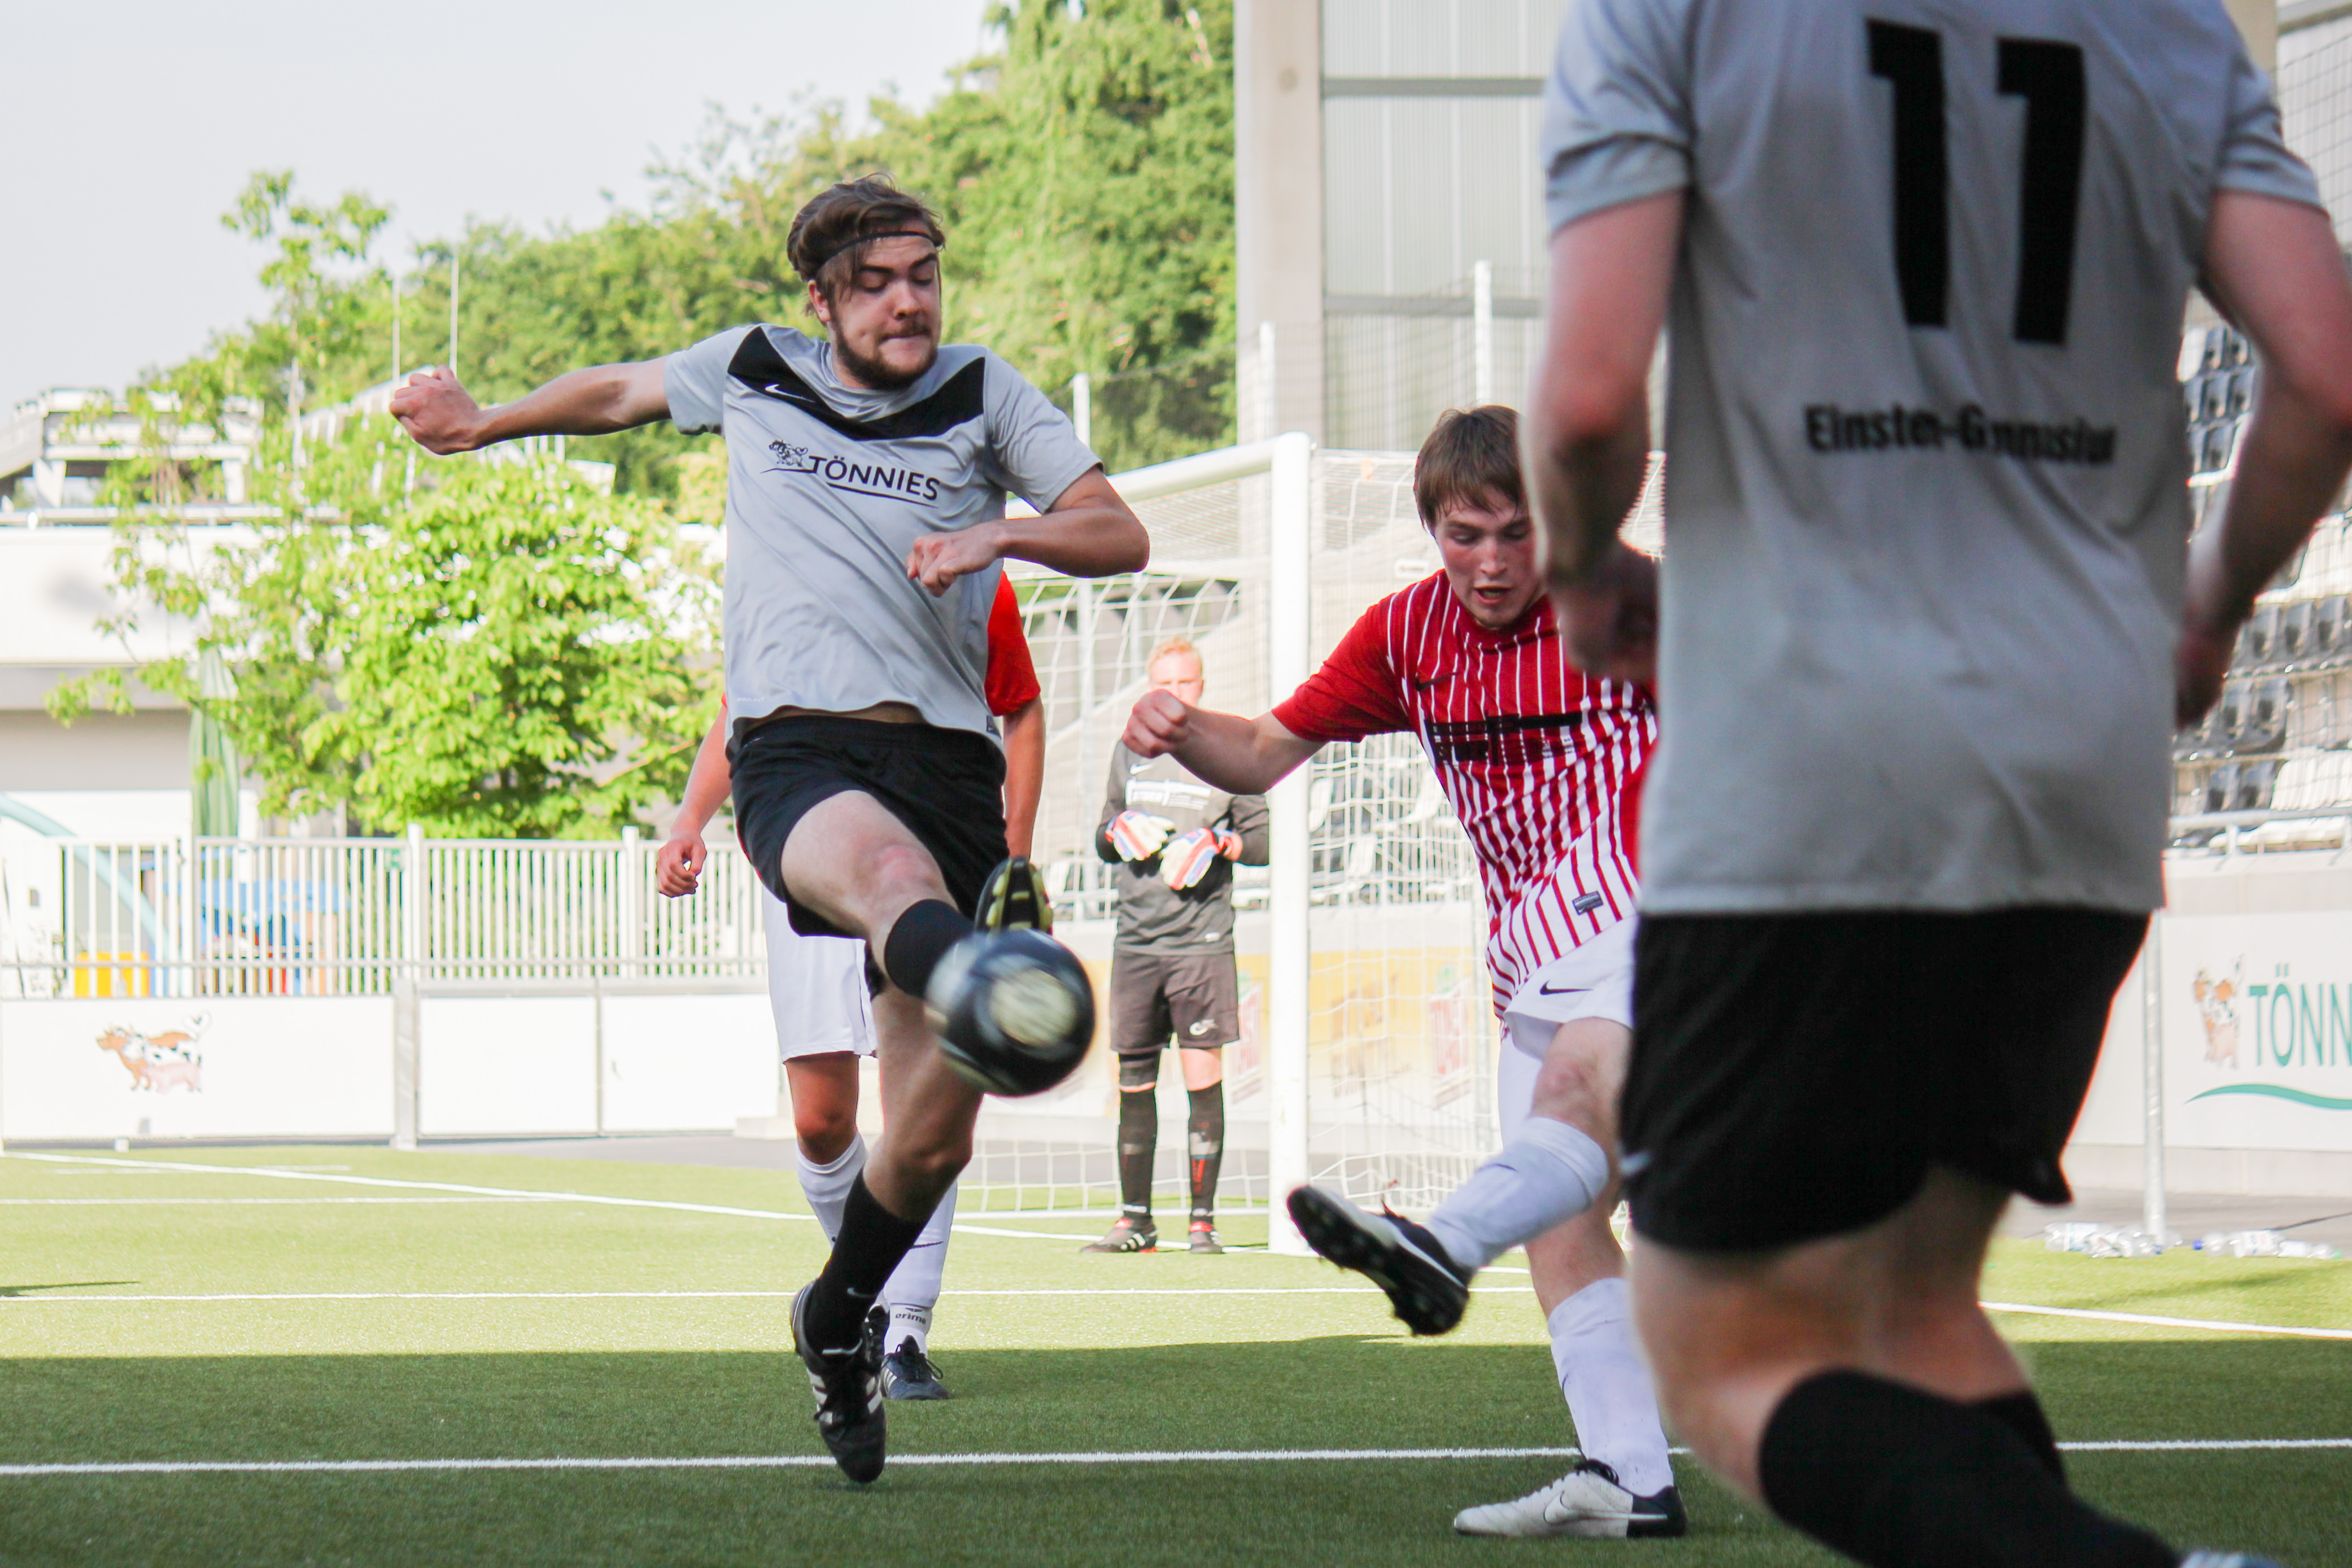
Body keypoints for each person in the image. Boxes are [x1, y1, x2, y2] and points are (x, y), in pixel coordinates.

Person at [1524, 0, 2352, 1564]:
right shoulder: (2170, 25)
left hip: (1805, 754)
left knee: (1720, 1333)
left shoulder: (1670, 16)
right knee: (1910, 1308)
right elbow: (2324, 374)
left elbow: (1580, 403)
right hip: (2080, 759)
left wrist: (1579, 572)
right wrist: (2209, 603)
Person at [392, 174, 1149, 1484]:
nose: (907, 301)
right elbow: (616, 391)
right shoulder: (755, 367)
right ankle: (976, 969)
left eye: (923, 275)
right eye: (877, 282)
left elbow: (1118, 529)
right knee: (891, 876)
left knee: (932, 1137)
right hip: (801, 746)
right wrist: (485, 422)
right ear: (821, 298)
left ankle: (835, 1316)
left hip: (950, 760)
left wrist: (1000, 534)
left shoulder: (983, 390)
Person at [1122, 406, 1682, 1538]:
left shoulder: (1635, 605)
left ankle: (1438, 1245)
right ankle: (1633, 1481)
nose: (1492, 561)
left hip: (1660, 920)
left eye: (1518, 533)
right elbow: (1261, 752)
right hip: (1532, 956)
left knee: (1580, 1098)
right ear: (1432, 528)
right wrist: (1179, 725)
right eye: (1466, 534)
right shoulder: (1406, 633)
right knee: (1566, 1225)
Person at [656, 573, 1048, 1400]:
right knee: (821, 1119)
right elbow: (741, 705)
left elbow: (1020, 708)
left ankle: (904, 1327)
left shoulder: (973, 572)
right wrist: (690, 816)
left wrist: (1012, 855)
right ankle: (857, 1293)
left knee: (925, 1109)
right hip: (809, 848)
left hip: (928, 847)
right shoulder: (798, 557)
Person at [1084, 637, 1268, 1256]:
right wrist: (1117, 829)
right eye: (1163, 683)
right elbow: (1103, 834)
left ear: (1202, 685)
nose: (1174, 693)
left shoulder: (1229, 750)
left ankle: (1202, 1223)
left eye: (1184, 683)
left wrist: (1218, 844)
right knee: (1133, 1079)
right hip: (1136, 940)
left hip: (1201, 943)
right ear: (1149, 686)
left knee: (1200, 1075)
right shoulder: (1129, 749)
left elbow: (1263, 841)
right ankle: (1135, 1220)